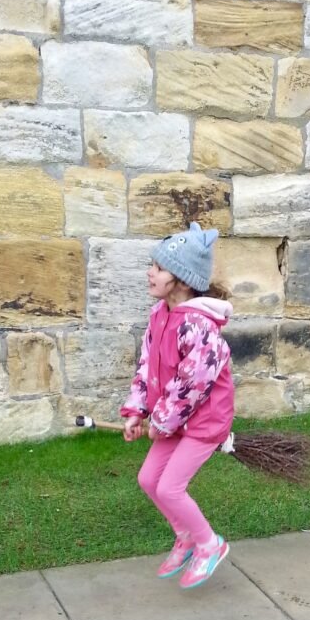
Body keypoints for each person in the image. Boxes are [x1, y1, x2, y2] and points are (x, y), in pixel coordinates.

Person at [120, 222, 234, 588]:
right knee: (148, 479)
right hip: (173, 420)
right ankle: (184, 534)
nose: (149, 273)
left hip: (204, 422)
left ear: (182, 280)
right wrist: (137, 411)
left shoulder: (198, 327)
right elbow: (146, 368)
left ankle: (208, 544)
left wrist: (163, 422)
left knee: (170, 487)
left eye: (158, 268)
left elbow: (191, 386)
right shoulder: (160, 316)